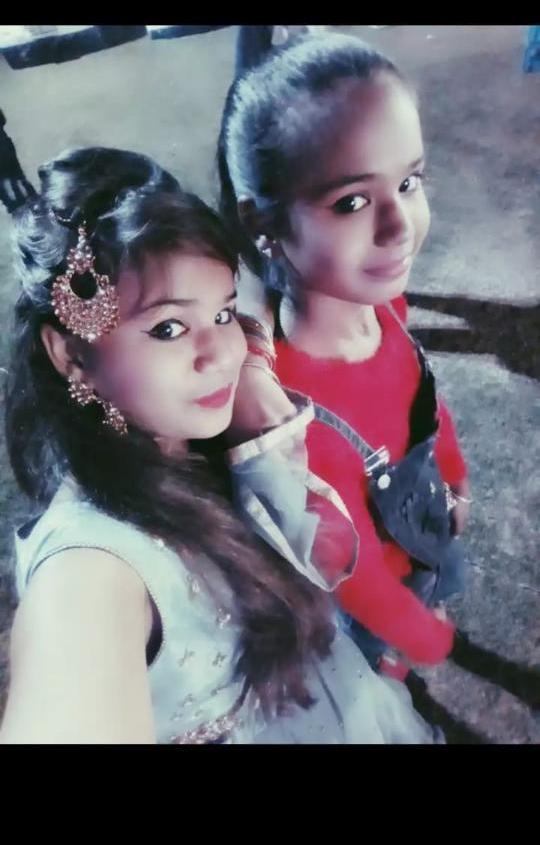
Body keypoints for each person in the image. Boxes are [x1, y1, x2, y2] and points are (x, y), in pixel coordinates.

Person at [0, 146, 440, 743]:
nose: (221, 355)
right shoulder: (88, 572)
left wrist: (253, 372)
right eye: (168, 328)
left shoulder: (193, 436)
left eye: (224, 314)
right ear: (70, 354)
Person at [217, 32, 472, 681]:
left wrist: (453, 472)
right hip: (382, 594)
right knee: (381, 671)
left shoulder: (385, 305)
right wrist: (421, 636)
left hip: (428, 524)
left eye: (409, 182)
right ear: (262, 223)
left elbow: (422, 398)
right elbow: (355, 577)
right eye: (352, 202)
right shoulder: (293, 419)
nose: (400, 225)